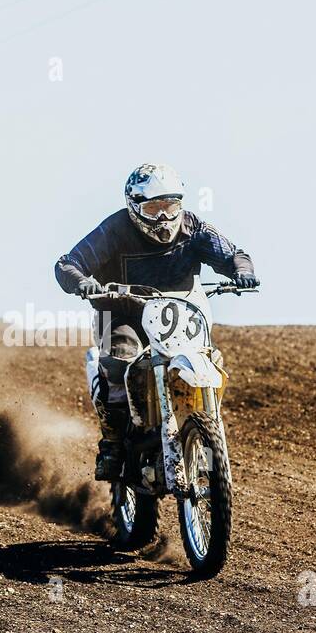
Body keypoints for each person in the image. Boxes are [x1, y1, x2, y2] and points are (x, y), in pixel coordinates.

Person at [54, 163, 260, 480]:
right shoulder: (115, 230)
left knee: (210, 358)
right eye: (153, 207)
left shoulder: (195, 228)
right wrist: (81, 281)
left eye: (170, 206)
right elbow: (69, 263)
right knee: (118, 361)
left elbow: (232, 253)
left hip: (180, 314)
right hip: (122, 314)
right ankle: (113, 445)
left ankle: (201, 425)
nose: (163, 217)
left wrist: (241, 271)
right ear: (135, 206)